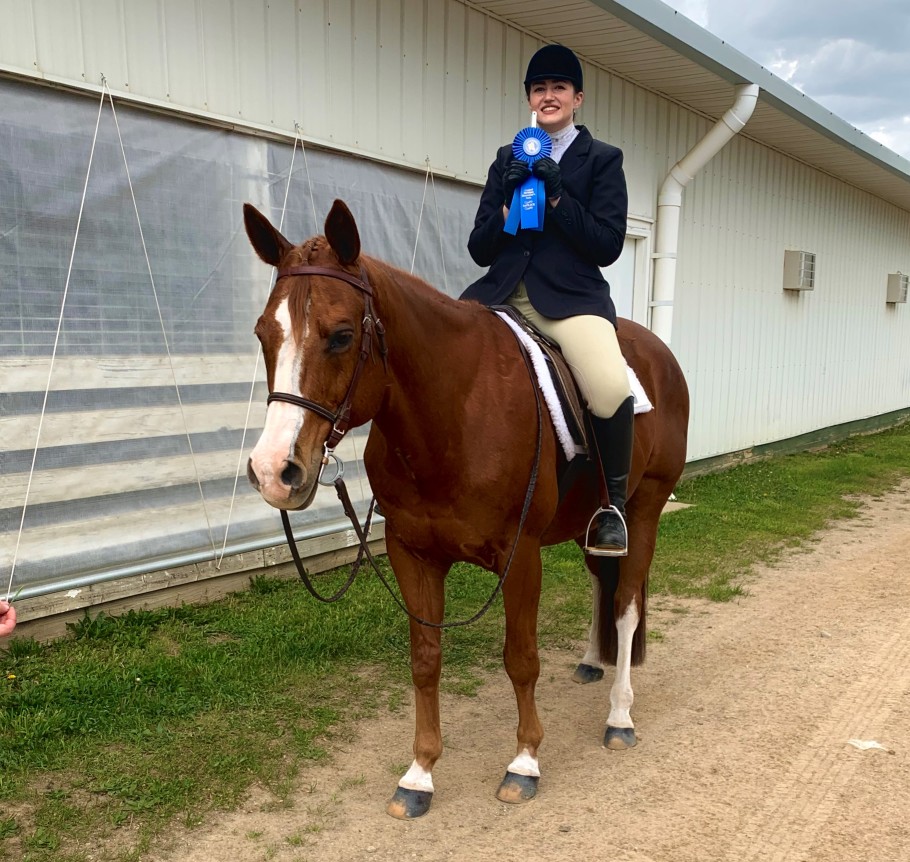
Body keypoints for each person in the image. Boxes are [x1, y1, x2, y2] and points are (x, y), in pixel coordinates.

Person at [461, 43, 634, 556]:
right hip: (500, 293)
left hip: (569, 298)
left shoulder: (602, 160)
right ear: (530, 100)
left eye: (559, 87)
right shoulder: (507, 158)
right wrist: (510, 200)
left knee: (607, 385)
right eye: (539, 88)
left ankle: (612, 508)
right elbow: (479, 248)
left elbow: (607, 244)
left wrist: (557, 197)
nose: (549, 95)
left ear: (577, 98)